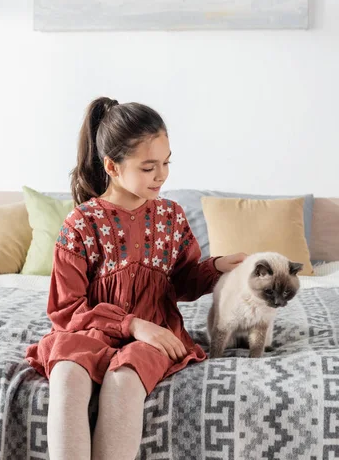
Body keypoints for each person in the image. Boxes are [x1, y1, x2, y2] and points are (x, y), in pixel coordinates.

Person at [25, 97, 246, 460]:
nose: (161, 175)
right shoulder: (80, 224)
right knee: (66, 371)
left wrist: (217, 267)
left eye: (166, 162)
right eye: (148, 167)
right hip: (90, 331)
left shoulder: (171, 217)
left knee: (125, 378)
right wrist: (131, 324)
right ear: (112, 166)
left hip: (156, 333)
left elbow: (183, 281)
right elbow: (66, 310)